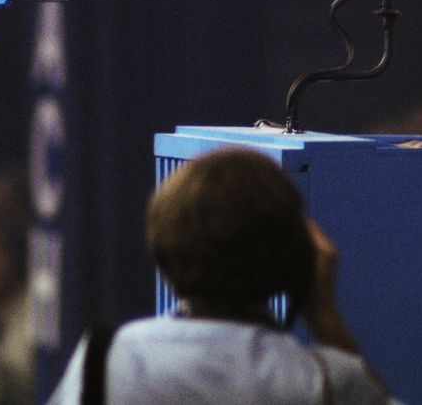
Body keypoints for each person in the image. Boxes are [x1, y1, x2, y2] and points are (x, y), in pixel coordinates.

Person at [45, 147, 395, 404]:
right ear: (293, 259)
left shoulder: (105, 359)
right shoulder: (324, 382)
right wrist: (323, 314)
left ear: (163, 251)